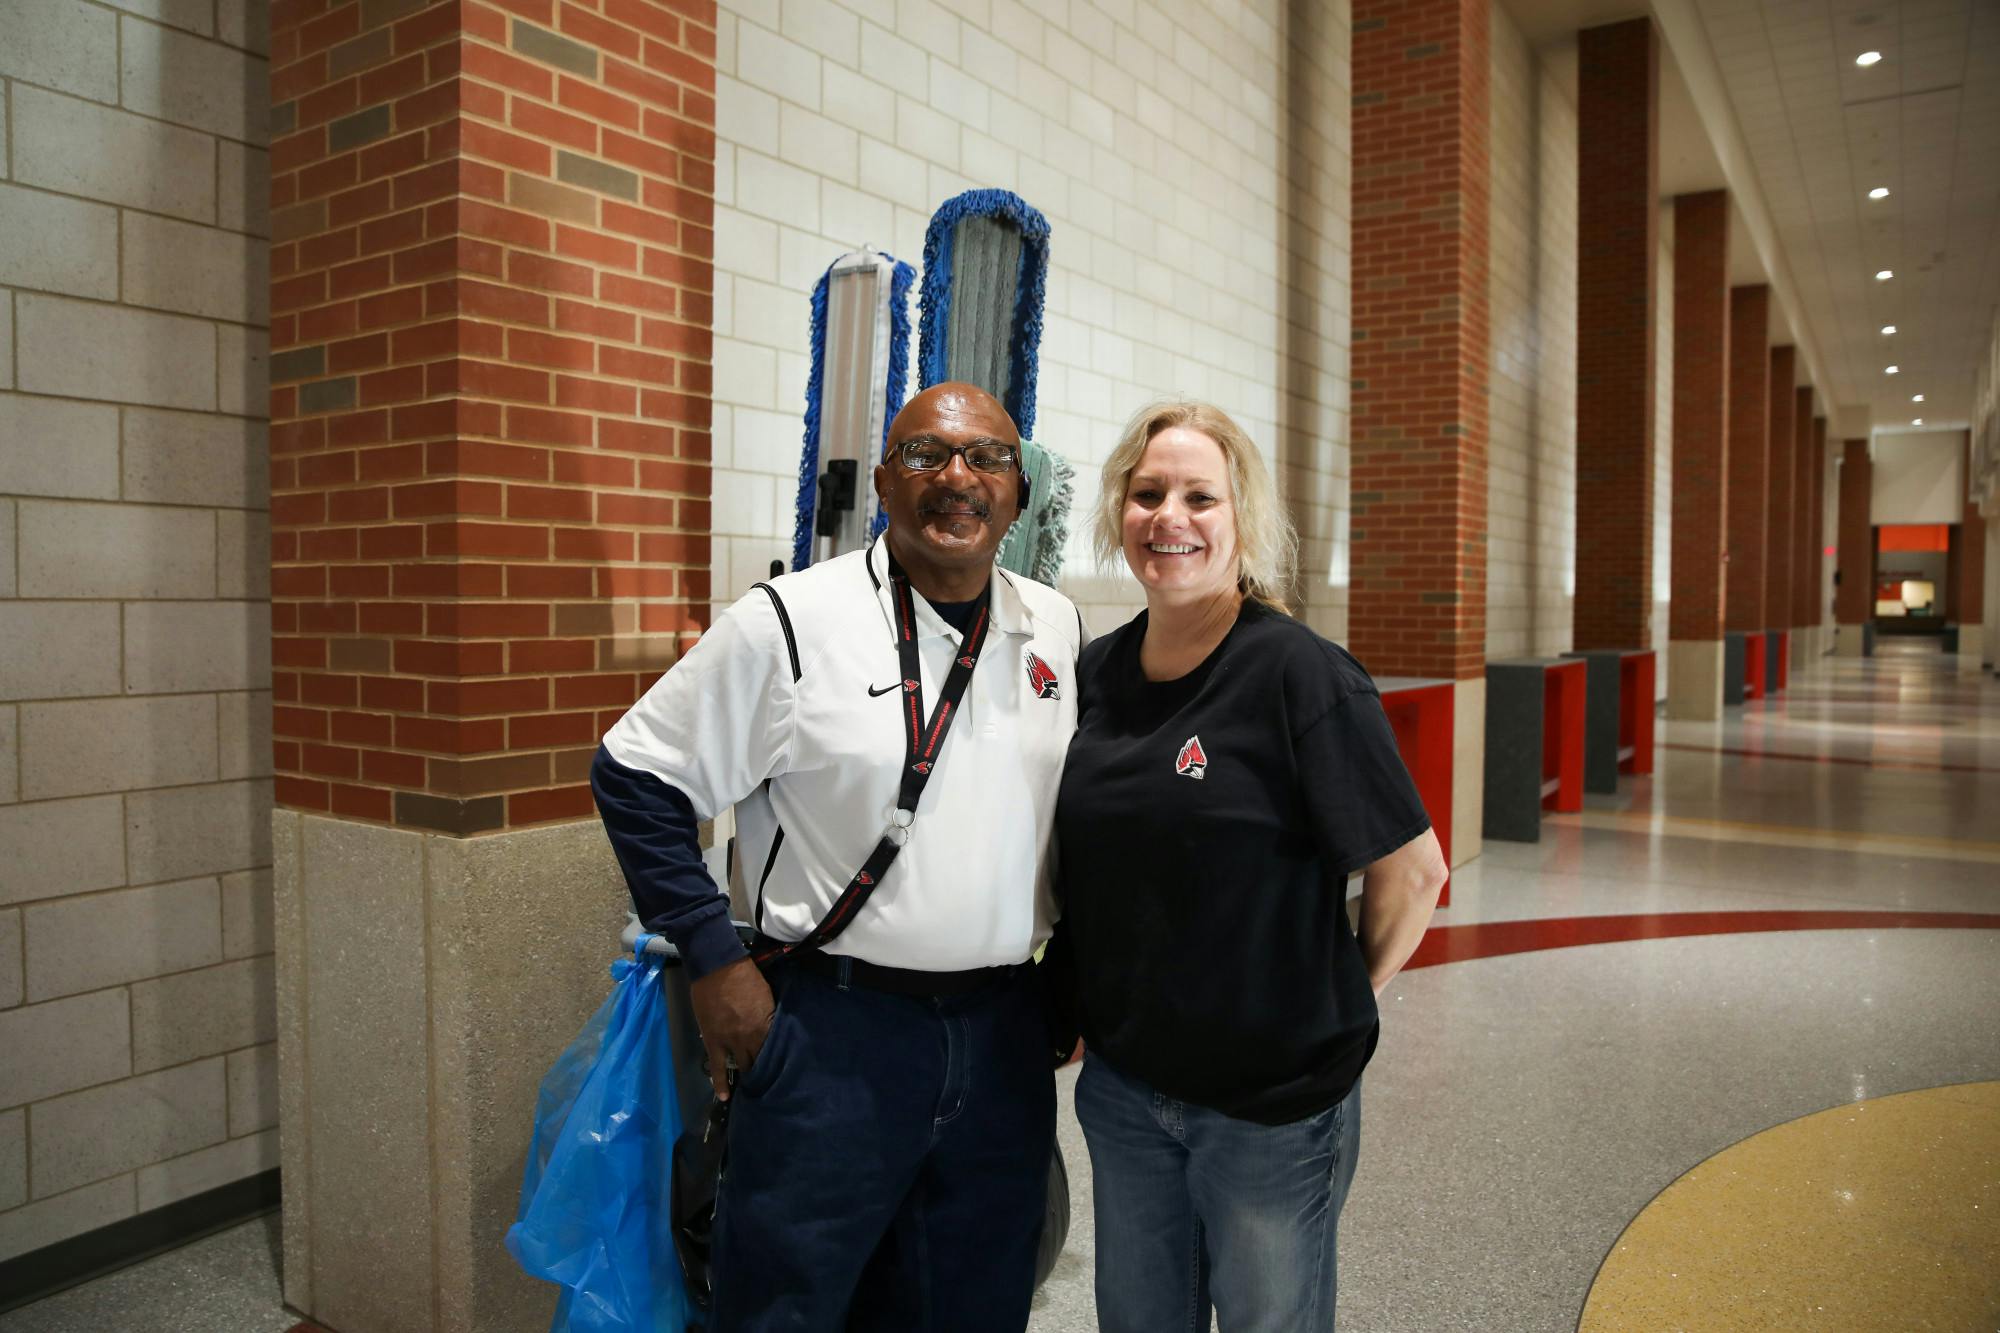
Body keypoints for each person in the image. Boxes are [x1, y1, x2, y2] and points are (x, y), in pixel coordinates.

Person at [590, 382, 1084, 1332]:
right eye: (923, 456)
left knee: (976, 1295)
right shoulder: (788, 622)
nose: (957, 479)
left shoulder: (1054, 629)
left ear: (1017, 495)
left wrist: (1071, 977)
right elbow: (635, 773)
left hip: (999, 1035)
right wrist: (713, 957)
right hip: (832, 1032)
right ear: (885, 487)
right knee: (791, 1299)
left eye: (986, 459)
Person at [1053, 400, 1448, 1332]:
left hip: (1270, 1109)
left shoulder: (1299, 674)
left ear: (1243, 520)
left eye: (1201, 496)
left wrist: (1332, 998)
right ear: (1120, 514)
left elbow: (1414, 869)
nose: (1170, 517)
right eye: (1148, 494)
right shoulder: (1094, 675)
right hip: (1126, 1091)